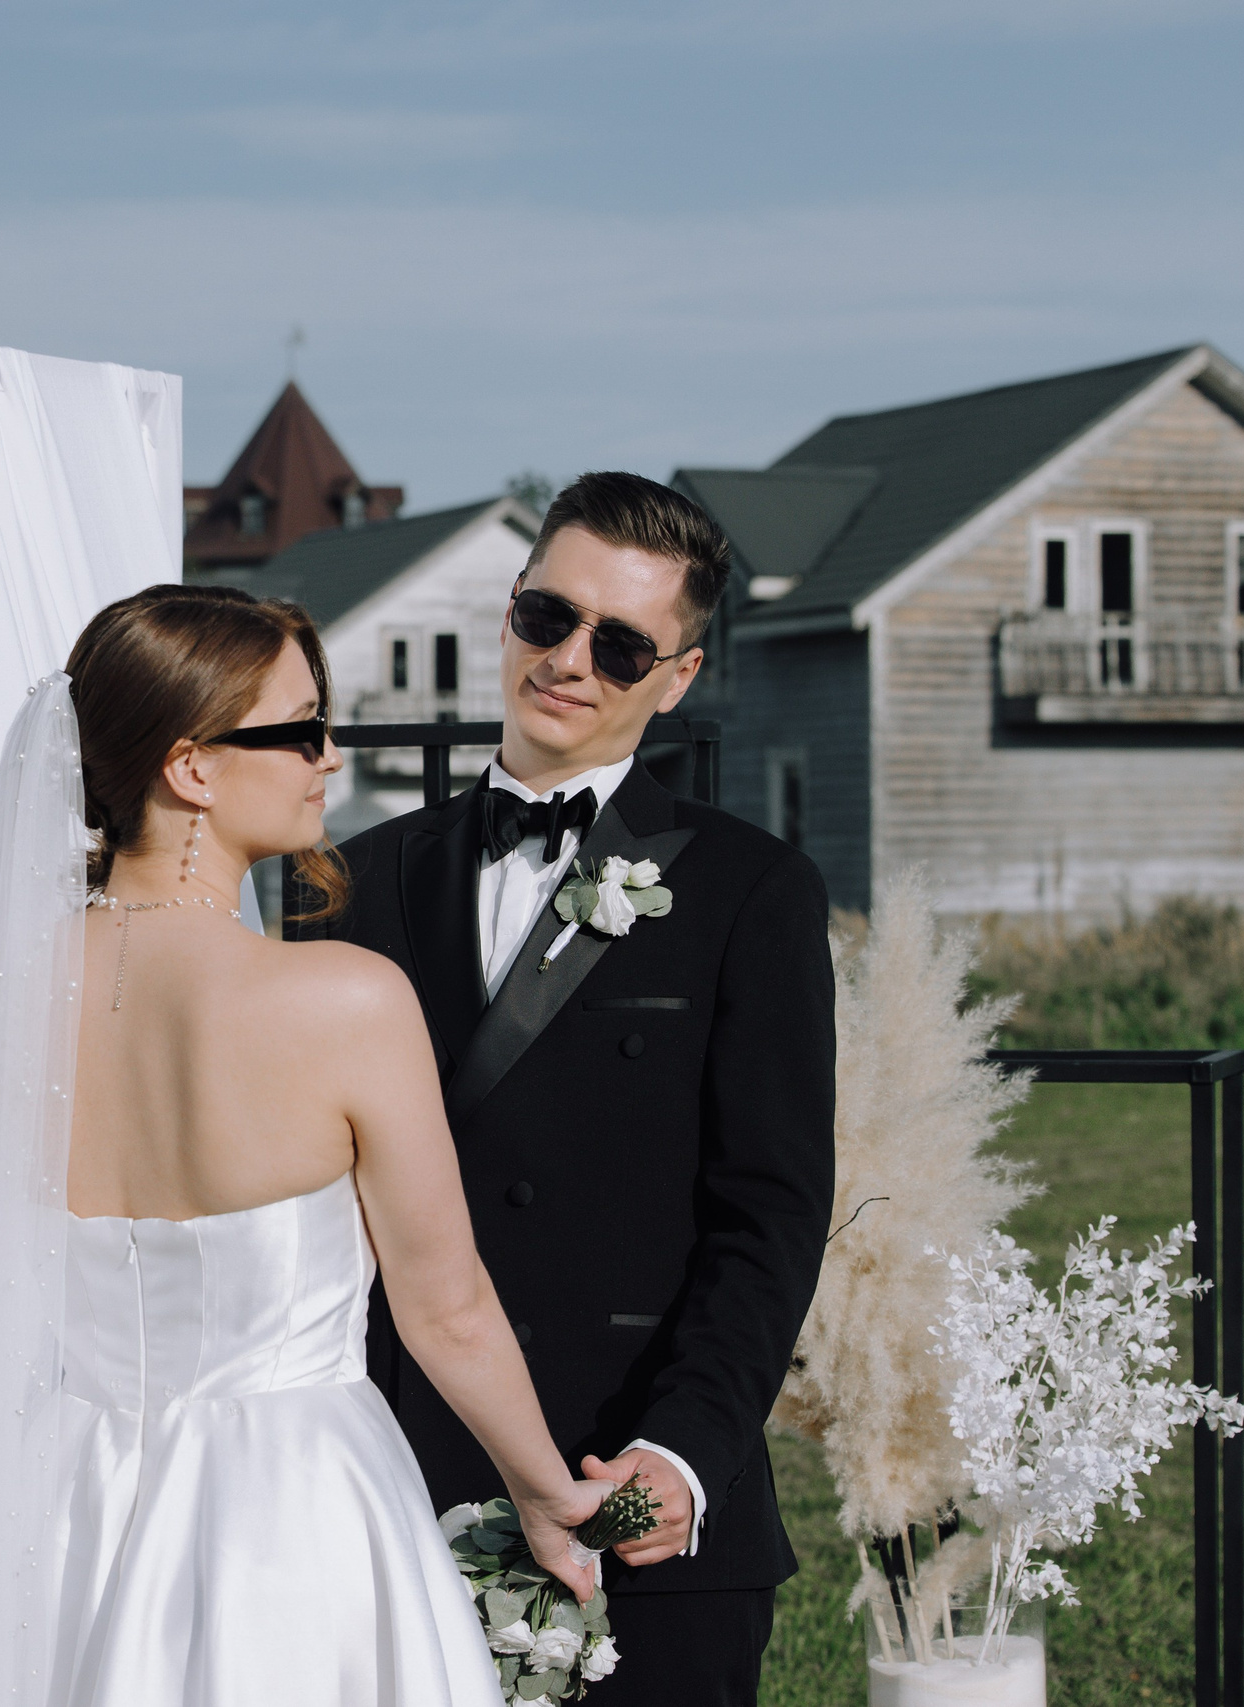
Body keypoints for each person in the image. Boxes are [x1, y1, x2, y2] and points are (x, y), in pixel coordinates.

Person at [0, 584, 615, 1707]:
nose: (329, 758)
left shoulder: (11, 998)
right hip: (294, 1514)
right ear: (191, 769)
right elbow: (447, 1308)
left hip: (66, 1507)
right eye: (300, 730)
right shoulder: (346, 1001)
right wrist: (546, 1493)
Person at [310, 472, 838, 1707]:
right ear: (508, 612)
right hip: (394, 1487)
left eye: (620, 643)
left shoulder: (751, 892)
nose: (569, 661)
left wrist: (682, 1456)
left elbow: (768, 1215)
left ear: (679, 677)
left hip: (631, 1497)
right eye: (546, 617)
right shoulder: (351, 880)